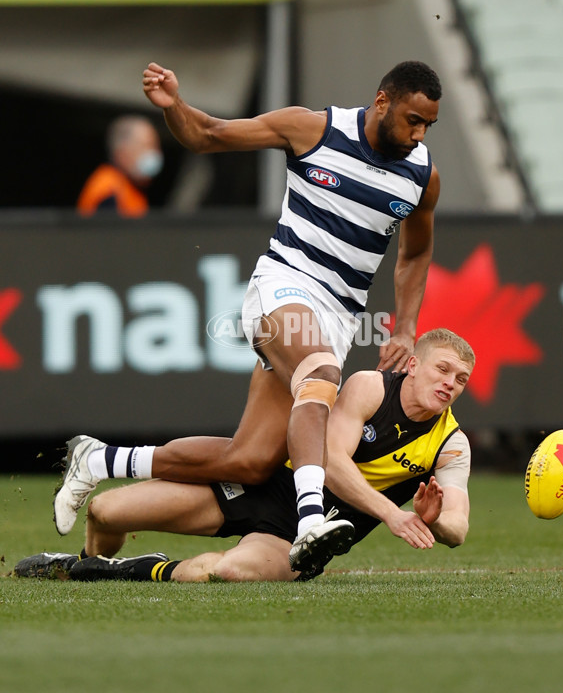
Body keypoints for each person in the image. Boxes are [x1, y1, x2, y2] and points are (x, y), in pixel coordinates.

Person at [55, 60, 443, 574]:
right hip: (283, 287)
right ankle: (310, 523)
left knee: (252, 459)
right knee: (321, 376)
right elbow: (207, 134)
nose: (418, 134)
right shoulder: (313, 129)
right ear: (381, 102)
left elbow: (414, 256)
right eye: (412, 119)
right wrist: (176, 106)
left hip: (340, 317)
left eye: (427, 126)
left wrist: (407, 327)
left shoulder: (421, 174)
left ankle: (100, 459)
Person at [23, 329, 474, 583]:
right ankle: (84, 562)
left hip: (301, 536)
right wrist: (393, 517)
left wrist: (431, 518)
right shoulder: (370, 387)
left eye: (461, 379)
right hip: (266, 488)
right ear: (412, 364)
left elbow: (457, 527)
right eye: (443, 369)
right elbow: (331, 461)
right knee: (105, 510)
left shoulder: (451, 444)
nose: (450, 383)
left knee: (227, 573)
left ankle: (107, 572)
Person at [76, 115, 163, 217]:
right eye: (146, 146)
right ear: (122, 153)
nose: (154, 154)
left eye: (156, 147)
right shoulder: (108, 190)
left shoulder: (129, 188)